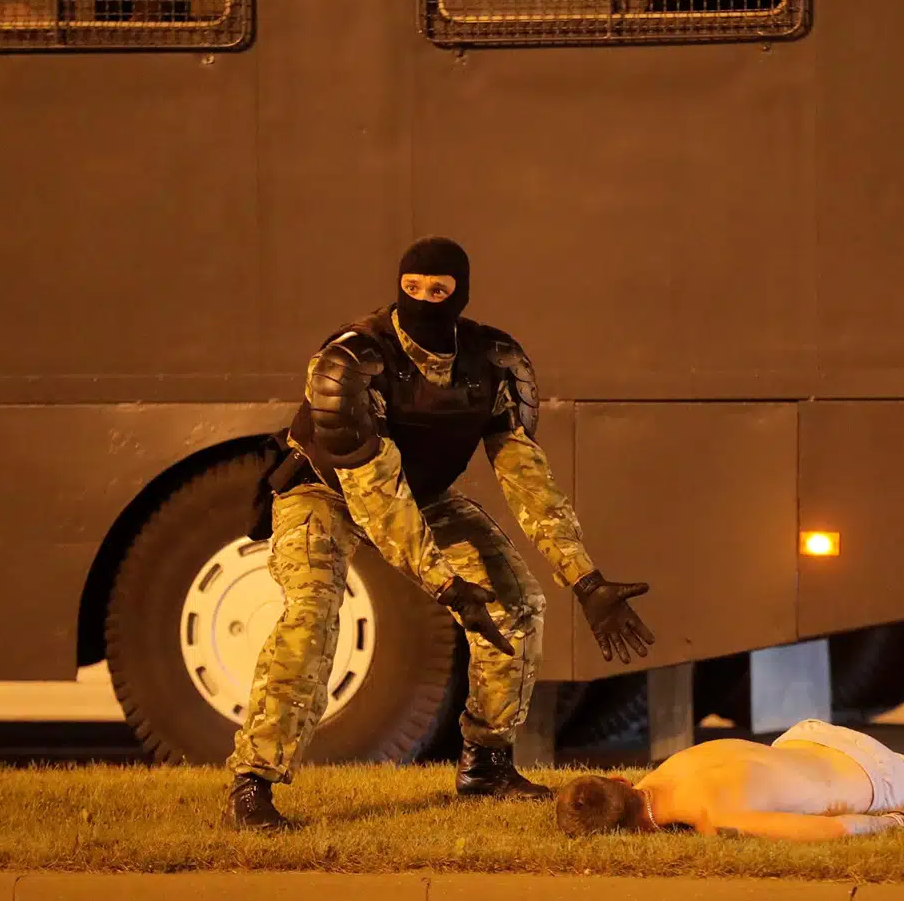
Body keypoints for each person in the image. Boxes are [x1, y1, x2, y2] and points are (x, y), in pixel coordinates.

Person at [224, 236, 656, 829]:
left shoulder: (494, 362)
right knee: (312, 613)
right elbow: (373, 495)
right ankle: (253, 784)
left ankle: (486, 766)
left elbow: (527, 478)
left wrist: (585, 580)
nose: (425, 299)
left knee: (518, 603)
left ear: (461, 292)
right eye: (413, 289)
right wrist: (446, 584)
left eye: (439, 290)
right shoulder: (351, 359)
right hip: (322, 492)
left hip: (421, 496)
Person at [554, 720, 904, 841]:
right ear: (619, 777)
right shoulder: (664, 770)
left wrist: (902, 823)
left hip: (868, 777)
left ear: (637, 832)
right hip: (803, 738)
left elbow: (835, 829)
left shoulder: (717, 817)